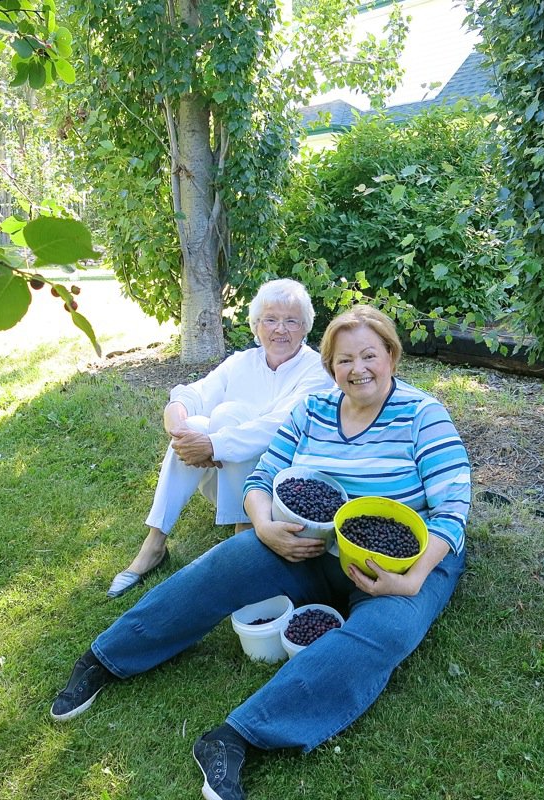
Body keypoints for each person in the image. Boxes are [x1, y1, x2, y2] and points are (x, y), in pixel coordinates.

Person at [50, 305, 471, 800]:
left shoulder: (423, 415)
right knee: (227, 563)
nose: (358, 370)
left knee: (385, 631)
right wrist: (264, 525)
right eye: (344, 360)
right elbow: (262, 476)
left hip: (399, 560)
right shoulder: (313, 410)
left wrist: (413, 579)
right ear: (330, 366)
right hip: (310, 546)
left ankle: (237, 738)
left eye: (369, 356)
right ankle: (108, 657)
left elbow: (453, 506)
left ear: (392, 356)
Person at [106, 278, 334, 598]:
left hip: (278, 492)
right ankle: (154, 544)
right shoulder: (242, 362)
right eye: (270, 319)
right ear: (256, 325)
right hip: (223, 482)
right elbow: (194, 394)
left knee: (229, 415)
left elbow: (280, 426)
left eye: (291, 321)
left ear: (306, 327)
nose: (280, 329)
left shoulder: (316, 370)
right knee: (197, 424)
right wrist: (179, 424)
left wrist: (215, 444)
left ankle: (241, 538)